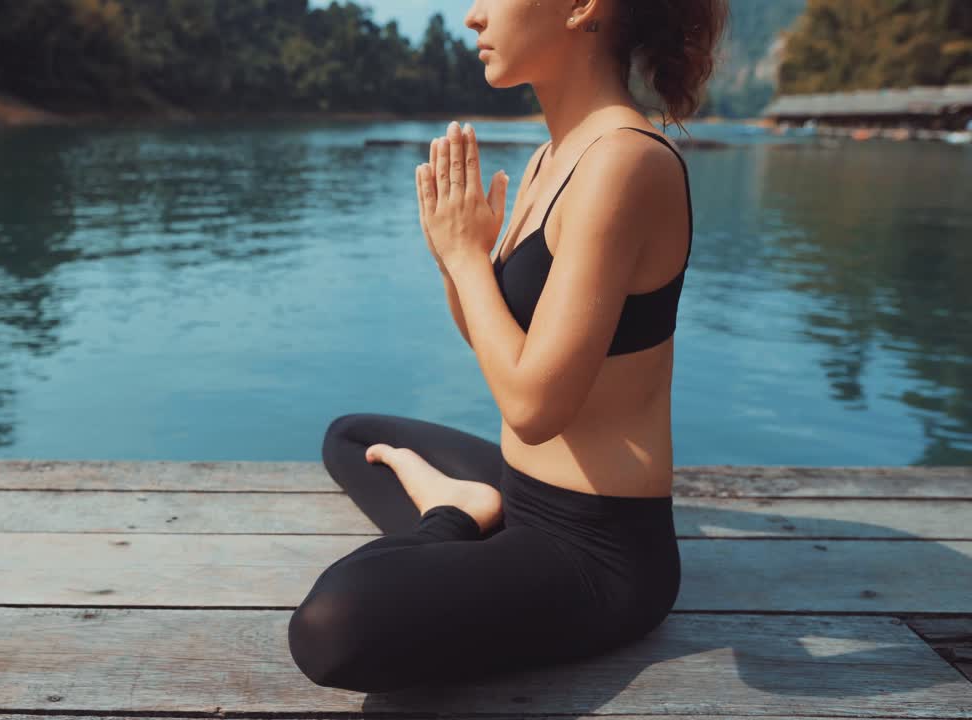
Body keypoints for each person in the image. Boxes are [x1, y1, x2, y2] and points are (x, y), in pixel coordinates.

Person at [287, 0, 727, 694]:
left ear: (583, 8)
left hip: (597, 551)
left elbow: (534, 406)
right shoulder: (553, 156)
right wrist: (452, 256)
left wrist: (468, 260)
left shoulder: (626, 163)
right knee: (352, 438)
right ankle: (478, 508)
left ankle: (458, 515)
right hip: (525, 492)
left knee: (330, 626)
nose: (471, 16)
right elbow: (500, 343)